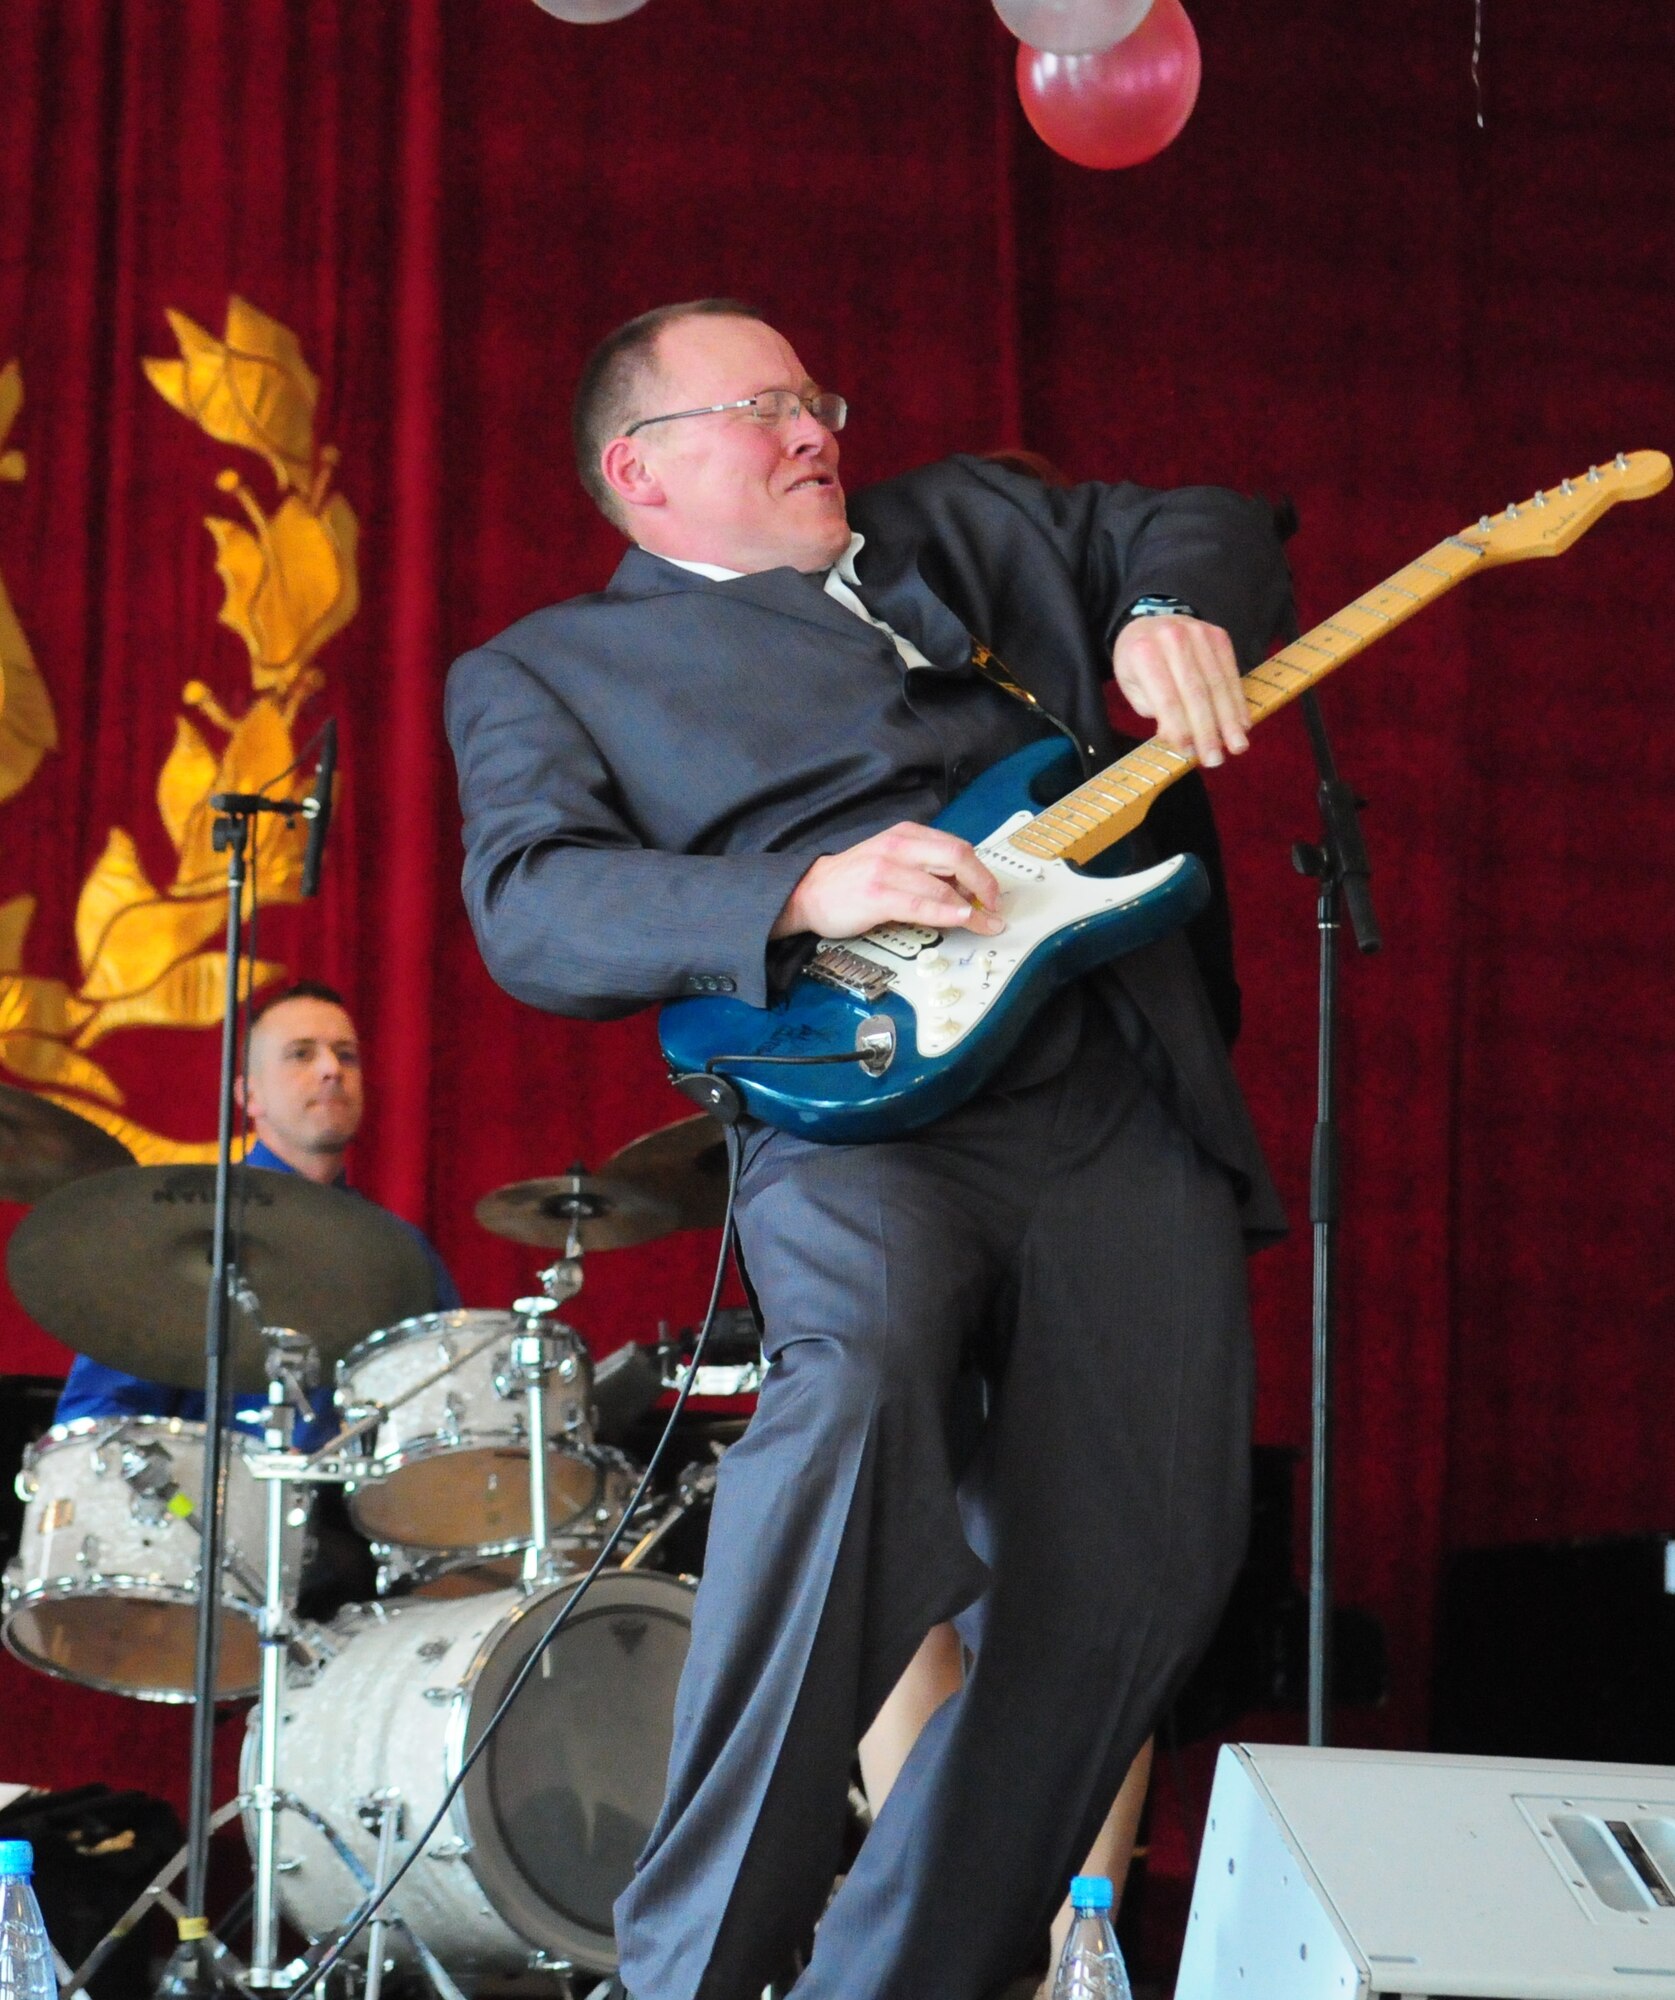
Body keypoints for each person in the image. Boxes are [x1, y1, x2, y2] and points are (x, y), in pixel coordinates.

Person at [446, 300, 1294, 2000]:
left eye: (814, 391)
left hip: (1115, 1087)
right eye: (760, 406)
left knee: (1143, 1572)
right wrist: (800, 888)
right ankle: (688, 1974)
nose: (813, 421)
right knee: (857, 1392)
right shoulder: (550, 668)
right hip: (858, 1119)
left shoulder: (960, 525)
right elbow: (530, 902)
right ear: (644, 472)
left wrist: (1166, 616)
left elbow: (1199, 518)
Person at [55, 981, 461, 1449]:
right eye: (301, 1054)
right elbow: (92, 1430)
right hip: (216, 1515)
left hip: (360, 1516)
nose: (331, 1069)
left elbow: (449, 1429)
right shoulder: (179, 1235)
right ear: (249, 1096)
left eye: (346, 1055)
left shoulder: (403, 1253)